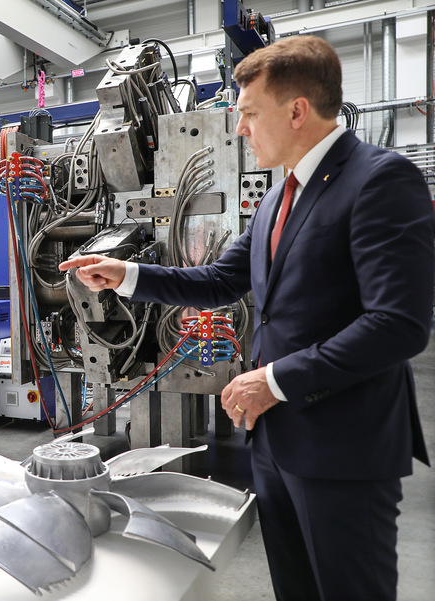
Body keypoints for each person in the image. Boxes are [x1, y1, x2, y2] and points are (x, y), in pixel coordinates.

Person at [60, 35, 433, 601]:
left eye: (249, 113)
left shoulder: (379, 180)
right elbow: (218, 280)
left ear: (297, 111)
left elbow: (399, 323)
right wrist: (126, 275)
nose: (239, 128)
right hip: (277, 442)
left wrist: (274, 380)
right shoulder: (283, 195)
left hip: (343, 447)